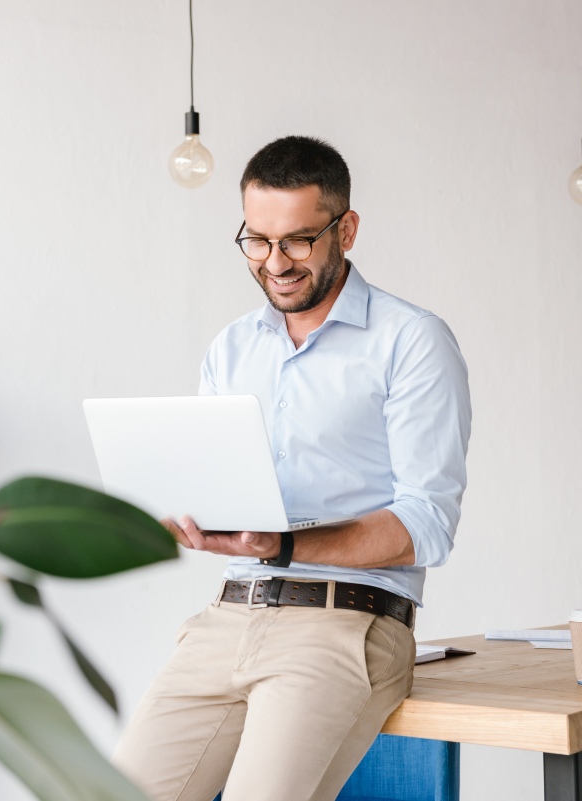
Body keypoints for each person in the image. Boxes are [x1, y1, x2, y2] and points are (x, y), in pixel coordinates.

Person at [112, 136, 471, 801]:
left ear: (347, 229)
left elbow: (428, 522)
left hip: (343, 624)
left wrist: (283, 545)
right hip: (225, 618)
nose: (274, 263)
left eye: (298, 241)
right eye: (257, 240)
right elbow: (216, 484)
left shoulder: (411, 340)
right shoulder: (233, 346)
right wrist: (177, 512)